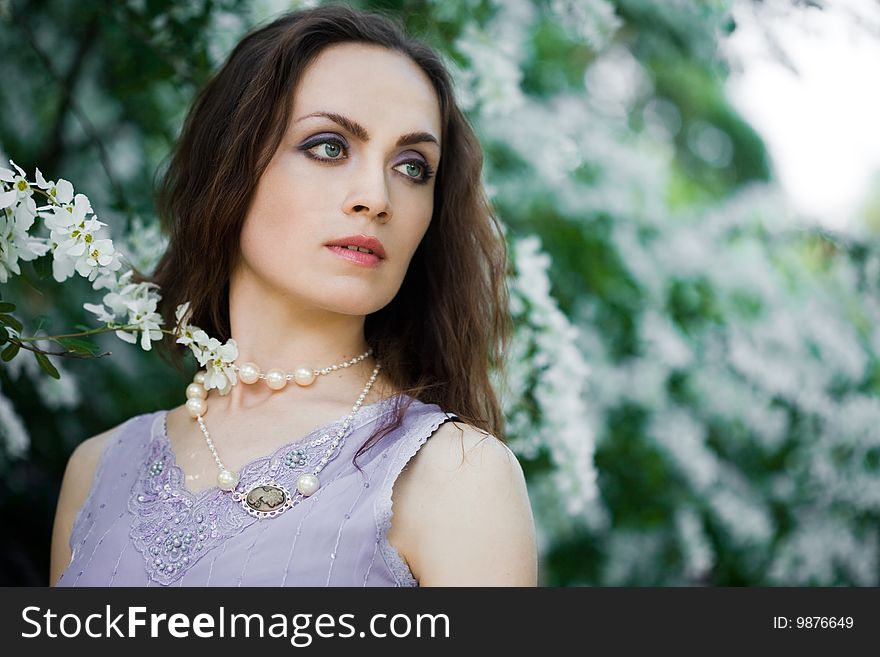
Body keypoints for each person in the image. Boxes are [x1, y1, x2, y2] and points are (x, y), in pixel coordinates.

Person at [49, 4, 537, 587]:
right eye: (330, 147)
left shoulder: (454, 473)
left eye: (412, 167)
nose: (376, 197)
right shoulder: (99, 469)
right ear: (231, 164)